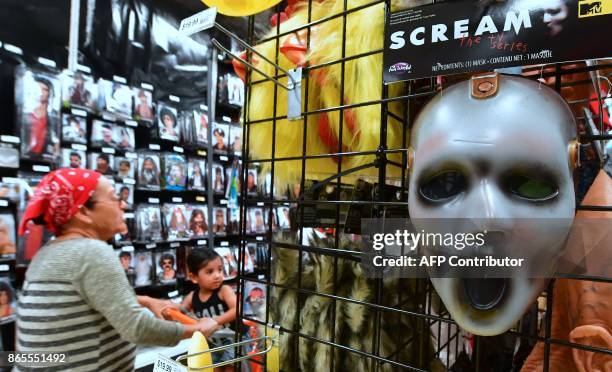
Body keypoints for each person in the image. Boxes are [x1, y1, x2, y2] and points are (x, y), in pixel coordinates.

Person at [15, 168, 217, 371]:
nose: (123, 205)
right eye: (114, 198)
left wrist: (145, 301)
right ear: (83, 212)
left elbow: (83, 299)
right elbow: (137, 328)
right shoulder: (91, 252)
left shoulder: (48, 253)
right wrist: (197, 329)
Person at [177, 249, 238, 372]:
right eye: (210, 272)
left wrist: (215, 321)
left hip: (233, 340)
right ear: (194, 277)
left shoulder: (224, 290)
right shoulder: (192, 297)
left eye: (220, 269)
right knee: (212, 368)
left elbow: (237, 309)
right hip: (212, 343)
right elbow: (180, 312)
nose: (217, 275)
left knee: (231, 368)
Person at [25, 76, 58, 157]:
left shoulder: (54, 118)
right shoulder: (27, 115)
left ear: (50, 93)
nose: (40, 92)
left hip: (46, 158)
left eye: (45, 89)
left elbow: (56, 143)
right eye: (38, 88)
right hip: (26, 157)